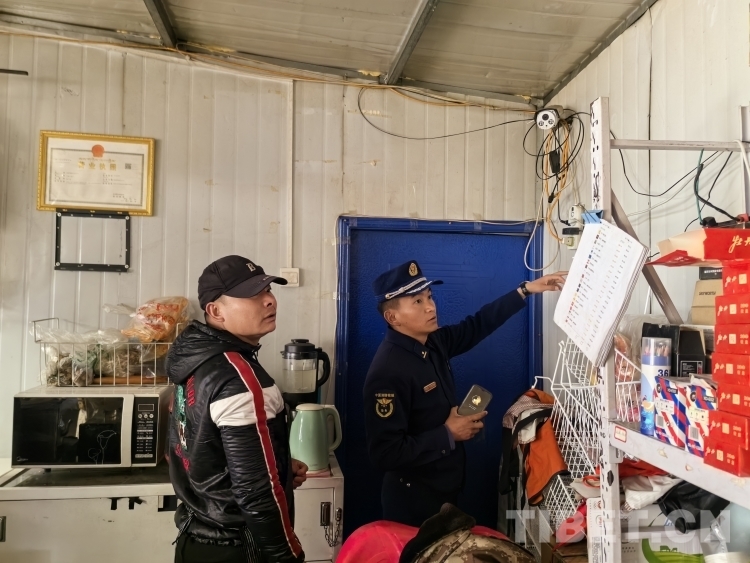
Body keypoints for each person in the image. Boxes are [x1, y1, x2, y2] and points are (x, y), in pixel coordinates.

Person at [363, 260, 565, 527]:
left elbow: (478, 325)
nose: (430, 307)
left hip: (444, 490)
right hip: (413, 503)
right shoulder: (388, 371)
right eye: (417, 302)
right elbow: (385, 454)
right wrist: (448, 433)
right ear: (393, 317)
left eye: (429, 297)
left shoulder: (432, 342)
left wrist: (525, 290)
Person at [166, 255, 307, 563]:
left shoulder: (197, 360)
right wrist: (287, 556)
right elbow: (257, 492)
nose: (270, 300)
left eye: (268, 291)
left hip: (195, 538)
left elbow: (201, 450)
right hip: (239, 547)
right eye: (253, 295)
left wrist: (279, 465)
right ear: (215, 311)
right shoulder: (239, 377)